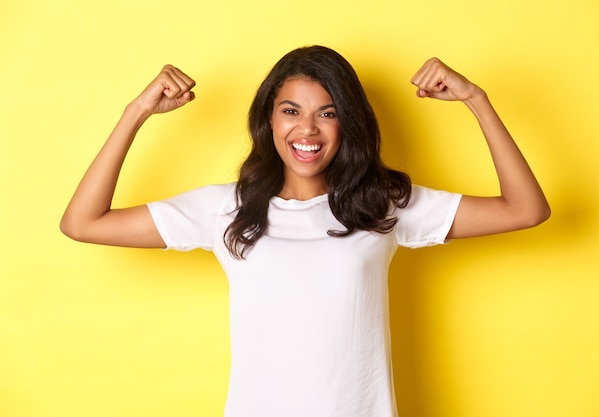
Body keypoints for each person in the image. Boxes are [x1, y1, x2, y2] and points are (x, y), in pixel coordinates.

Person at [60, 45, 550, 417]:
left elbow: (525, 210)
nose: (307, 130)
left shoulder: (380, 205)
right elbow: (83, 222)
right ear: (269, 120)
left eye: (327, 112)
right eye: (291, 111)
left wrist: (476, 100)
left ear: (348, 124)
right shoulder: (224, 209)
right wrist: (136, 113)